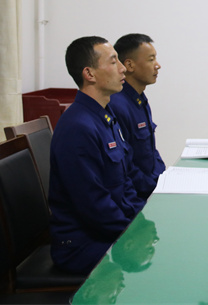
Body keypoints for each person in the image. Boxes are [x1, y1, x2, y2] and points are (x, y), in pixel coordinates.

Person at [49, 36, 144, 275]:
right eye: (113, 62)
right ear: (89, 74)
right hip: (83, 245)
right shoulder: (78, 127)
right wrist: (132, 233)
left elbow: (125, 181)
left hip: (106, 231)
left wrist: (143, 219)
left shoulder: (105, 116)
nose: (122, 68)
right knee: (158, 262)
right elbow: (93, 205)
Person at [109, 34, 165, 200]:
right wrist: (154, 186)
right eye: (151, 59)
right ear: (129, 65)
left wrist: (163, 178)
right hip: (138, 194)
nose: (158, 65)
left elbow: (151, 152)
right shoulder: (117, 105)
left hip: (150, 187)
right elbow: (126, 165)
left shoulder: (139, 99)